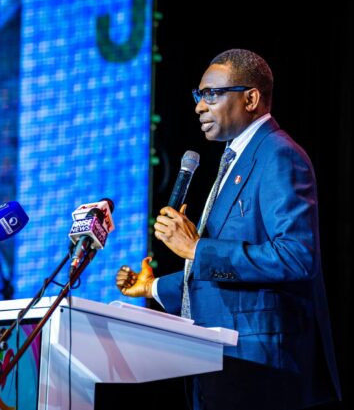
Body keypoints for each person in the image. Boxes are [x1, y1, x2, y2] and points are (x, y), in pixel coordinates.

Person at [116, 49, 341, 409]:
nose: (198, 107)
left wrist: (196, 248)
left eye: (211, 94)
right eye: (198, 95)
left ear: (250, 99)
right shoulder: (235, 159)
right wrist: (153, 286)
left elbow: (297, 256)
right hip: (220, 365)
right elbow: (224, 275)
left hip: (261, 368)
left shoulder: (278, 154)